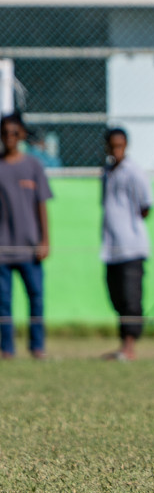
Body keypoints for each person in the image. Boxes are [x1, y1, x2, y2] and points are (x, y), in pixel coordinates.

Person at [0, 113, 52, 360]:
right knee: (3, 302)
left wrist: (45, 240)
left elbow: (42, 204)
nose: (10, 138)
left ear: (21, 134)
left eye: (14, 132)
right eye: (5, 133)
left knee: (36, 298)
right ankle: (7, 348)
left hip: (30, 247)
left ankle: (37, 346)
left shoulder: (33, 165)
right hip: (3, 248)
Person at [101, 127, 154, 361]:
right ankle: (123, 344)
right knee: (117, 298)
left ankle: (130, 346)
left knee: (132, 298)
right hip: (111, 247)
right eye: (112, 146)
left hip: (132, 246)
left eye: (120, 146)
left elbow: (146, 206)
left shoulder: (134, 172)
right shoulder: (106, 172)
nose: (116, 151)